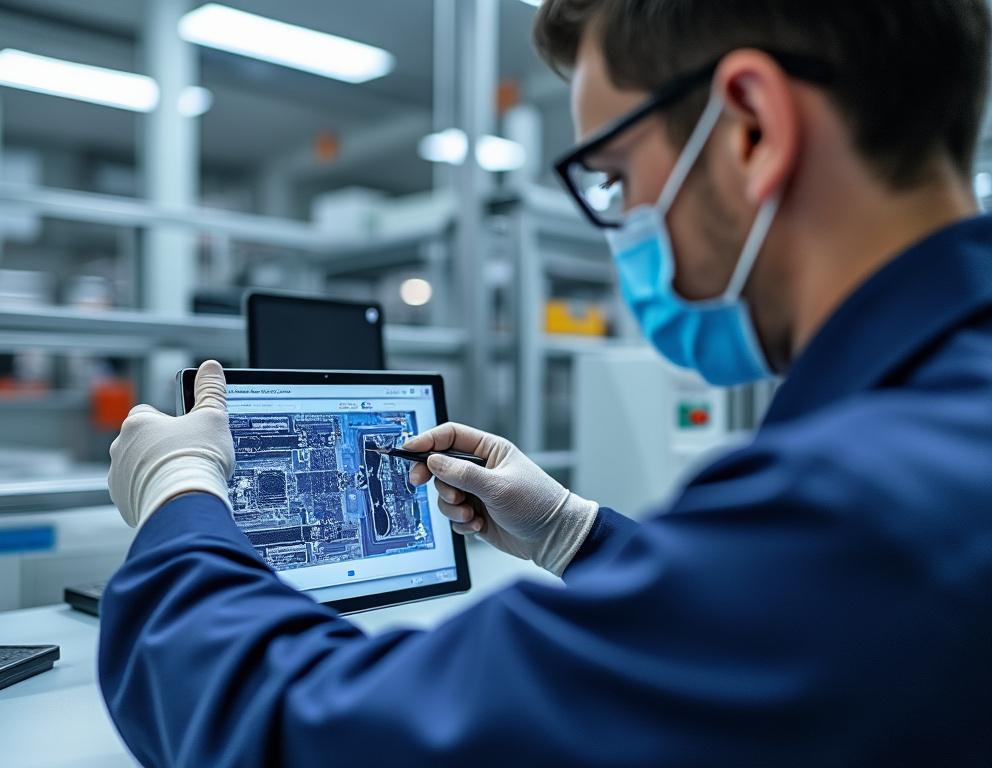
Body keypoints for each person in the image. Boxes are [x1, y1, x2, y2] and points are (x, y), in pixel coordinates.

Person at [100, 1, 992, 764]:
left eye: (615, 178)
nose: (624, 225)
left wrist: (179, 495)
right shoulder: (940, 426)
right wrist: (577, 534)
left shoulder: (859, 503)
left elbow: (311, 736)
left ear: (751, 128)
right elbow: (778, 624)